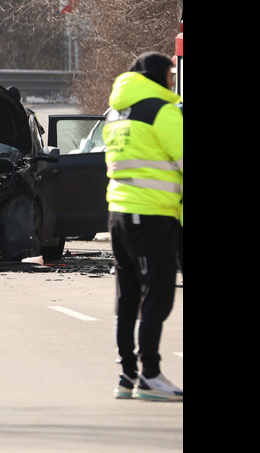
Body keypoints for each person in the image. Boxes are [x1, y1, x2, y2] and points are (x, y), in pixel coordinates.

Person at [102, 52, 183, 401]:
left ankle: (127, 375)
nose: (173, 81)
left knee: (129, 294)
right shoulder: (161, 112)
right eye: (171, 73)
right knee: (159, 292)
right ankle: (150, 373)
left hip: (119, 215)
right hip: (152, 216)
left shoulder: (116, 113)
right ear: (157, 75)